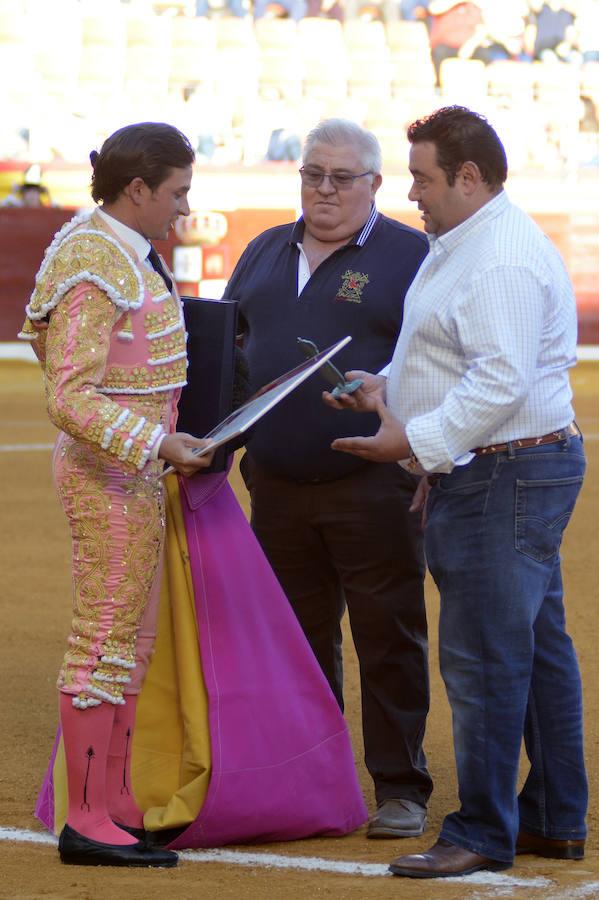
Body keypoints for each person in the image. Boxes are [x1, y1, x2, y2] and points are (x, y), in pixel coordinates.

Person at [326, 105, 587, 877]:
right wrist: (388, 390)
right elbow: (459, 360)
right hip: (505, 466)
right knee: (535, 654)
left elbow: (499, 379)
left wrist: (418, 442)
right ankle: (549, 818)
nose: (413, 193)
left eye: (423, 178)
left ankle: (480, 829)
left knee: (482, 660)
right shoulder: (473, 240)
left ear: (469, 178)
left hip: (500, 470)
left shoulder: (495, 254)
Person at [224, 117, 432, 839]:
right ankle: (307, 779)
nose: (324, 189)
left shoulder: (412, 254)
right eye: (312, 173)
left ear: (375, 183)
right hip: (276, 488)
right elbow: (230, 352)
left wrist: (393, 398)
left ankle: (400, 787)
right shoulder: (262, 250)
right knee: (292, 643)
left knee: (388, 637)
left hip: (372, 484)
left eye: (342, 177)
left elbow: (439, 360)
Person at [19, 122, 216, 868]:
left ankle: (117, 803)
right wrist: (156, 442)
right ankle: (87, 817)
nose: (182, 207)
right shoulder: (94, 261)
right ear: (138, 189)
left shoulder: (115, 251)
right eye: (177, 193)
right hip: (109, 472)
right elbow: (69, 397)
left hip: (132, 469)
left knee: (129, 644)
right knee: (103, 638)